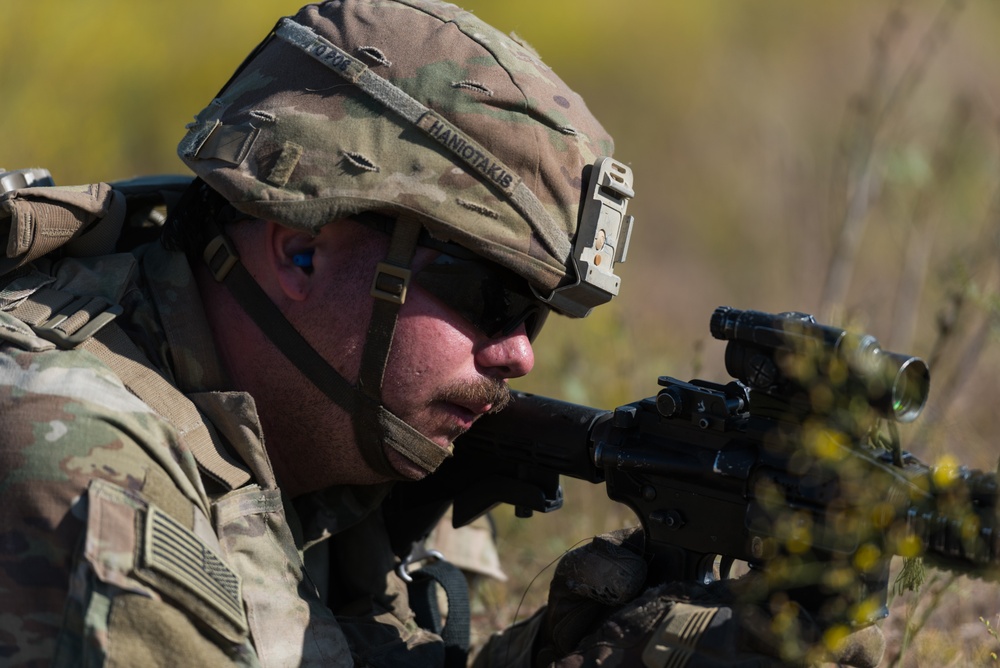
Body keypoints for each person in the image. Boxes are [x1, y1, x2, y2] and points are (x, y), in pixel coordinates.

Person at [0, 1, 884, 666]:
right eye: (491, 297)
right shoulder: (70, 462)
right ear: (301, 251)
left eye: (537, 314)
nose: (520, 353)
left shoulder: (323, 426)